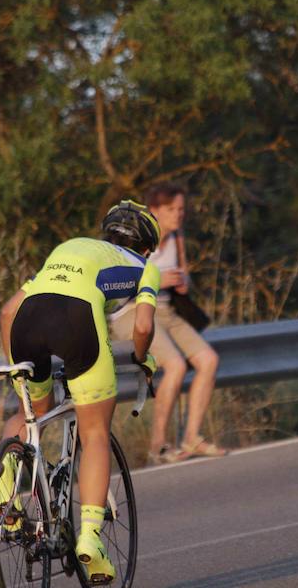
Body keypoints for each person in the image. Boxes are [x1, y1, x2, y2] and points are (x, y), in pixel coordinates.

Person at [0, 200, 161, 584]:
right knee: (94, 432)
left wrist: (19, 374)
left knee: (31, 415)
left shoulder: (70, 247)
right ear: (147, 247)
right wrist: (142, 358)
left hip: (28, 322)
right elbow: (143, 324)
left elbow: (7, 312)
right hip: (78, 321)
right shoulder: (145, 267)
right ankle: (90, 539)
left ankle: (6, 490)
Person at [109, 183, 227, 464]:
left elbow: (182, 279)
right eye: (172, 209)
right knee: (175, 365)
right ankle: (158, 445)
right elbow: (119, 285)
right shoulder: (135, 238)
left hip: (166, 310)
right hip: (133, 312)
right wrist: (159, 279)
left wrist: (184, 282)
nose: (179, 215)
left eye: (181, 209)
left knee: (208, 359)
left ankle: (192, 438)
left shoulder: (177, 238)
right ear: (154, 211)